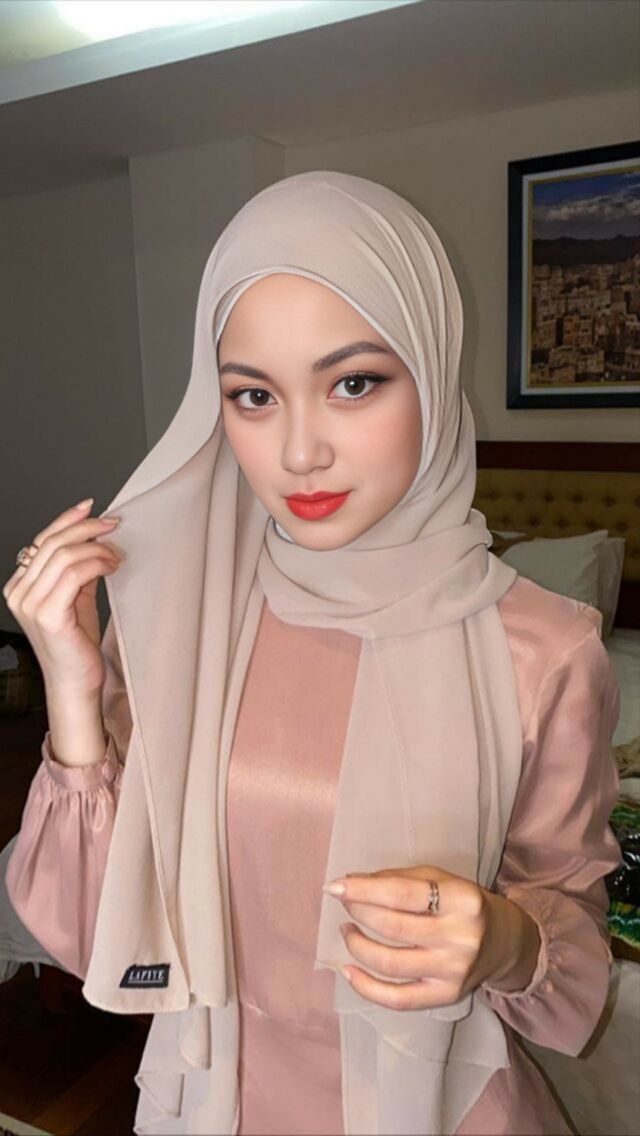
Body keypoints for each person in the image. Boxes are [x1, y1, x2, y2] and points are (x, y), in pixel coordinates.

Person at [2, 171, 622, 1136]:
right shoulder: (185, 620)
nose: (299, 453)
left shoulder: (545, 649)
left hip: (444, 1108)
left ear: (432, 370)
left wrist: (504, 939)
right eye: (253, 396)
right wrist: (72, 698)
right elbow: (94, 937)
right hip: (212, 1104)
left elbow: (574, 942)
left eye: (354, 383)